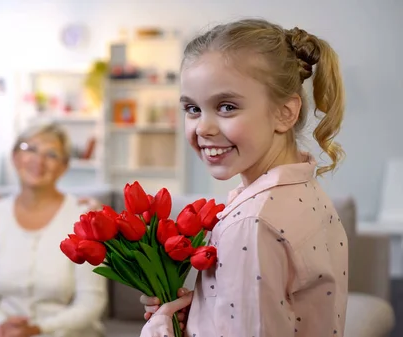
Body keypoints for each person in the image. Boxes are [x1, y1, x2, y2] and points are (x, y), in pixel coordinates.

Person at [140, 18, 348, 337]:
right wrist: (206, 314)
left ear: (284, 113)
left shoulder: (251, 224)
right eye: (192, 109)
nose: (203, 128)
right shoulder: (305, 192)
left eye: (226, 107)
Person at [0, 121, 108, 337]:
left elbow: (92, 301)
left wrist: (38, 329)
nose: (38, 161)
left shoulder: (84, 217)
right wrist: (3, 326)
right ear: (14, 157)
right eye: (29, 149)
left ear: (64, 166)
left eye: (51, 154)